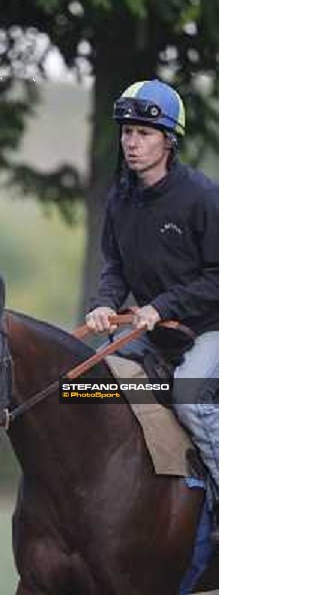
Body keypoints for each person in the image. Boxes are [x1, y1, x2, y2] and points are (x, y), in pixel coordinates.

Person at [85, 79, 219, 534]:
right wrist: (104, 303)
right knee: (98, 390)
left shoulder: (202, 196)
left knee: (192, 401)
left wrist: (162, 305)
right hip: (158, 337)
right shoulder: (120, 200)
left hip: (213, 331)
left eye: (144, 132)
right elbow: (115, 267)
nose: (131, 142)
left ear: (168, 140)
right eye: (126, 132)